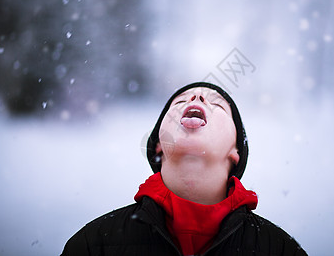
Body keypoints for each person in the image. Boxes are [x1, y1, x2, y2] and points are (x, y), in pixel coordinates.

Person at [61, 82, 307, 256]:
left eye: (217, 105)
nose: (197, 98)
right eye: (180, 101)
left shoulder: (281, 250)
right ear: (159, 145)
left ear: (235, 152)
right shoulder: (94, 245)